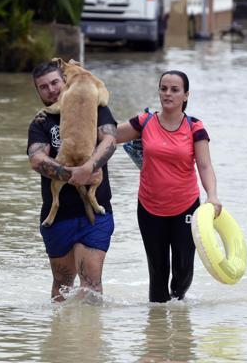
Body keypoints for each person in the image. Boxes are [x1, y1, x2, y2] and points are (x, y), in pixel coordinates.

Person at [116, 70, 221, 303]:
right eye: (163, 88)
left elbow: (205, 166)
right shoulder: (144, 122)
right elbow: (109, 135)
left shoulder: (195, 127)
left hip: (186, 207)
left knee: (183, 269)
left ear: (186, 95)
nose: (168, 93)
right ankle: (157, 332)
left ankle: (179, 310)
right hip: (149, 207)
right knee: (158, 272)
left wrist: (212, 196)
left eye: (174, 89)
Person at [27, 60, 118, 301]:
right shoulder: (41, 122)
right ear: (38, 92)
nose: (52, 90)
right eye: (43, 87)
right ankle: (61, 338)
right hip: (58, 216)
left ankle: (90, 337)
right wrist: (72, 175)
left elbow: (109, 140)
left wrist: (90, 167)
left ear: (65, 80)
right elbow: (36, 159)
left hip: (96, 214)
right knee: (62, 285)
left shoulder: (93, 104)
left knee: (90, 284)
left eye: (55, 82)